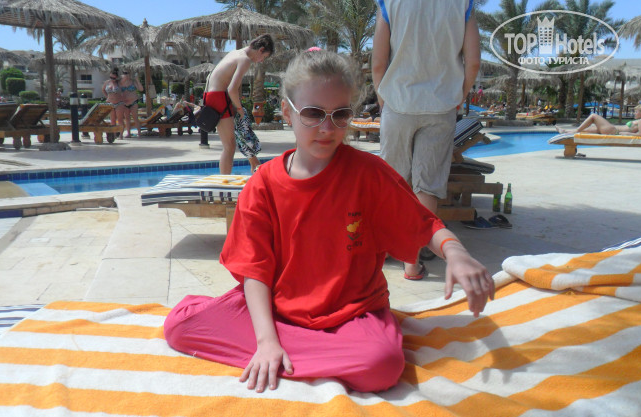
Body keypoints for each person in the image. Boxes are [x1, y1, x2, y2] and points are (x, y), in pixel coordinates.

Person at [163, 50, 494, 394]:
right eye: (313, 113)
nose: (327, 128)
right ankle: (289, 348)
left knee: (380, 366)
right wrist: (266, 341)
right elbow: (255, 271)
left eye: (340, 115)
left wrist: (456, 253)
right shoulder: (263, 184)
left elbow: (424, 224)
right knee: (180, 326)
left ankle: (292, 350)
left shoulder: (368, 174)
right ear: (287, 112)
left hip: (351, 313)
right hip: (278, 310)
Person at [371, 0, 480, 280]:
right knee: (427, 186)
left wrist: (383, 99)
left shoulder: (389, 2)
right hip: (441, 105)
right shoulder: (463, 4)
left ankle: (381, 253)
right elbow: (473, 62)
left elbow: (379, 62)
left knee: (393, 182)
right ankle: (411, 262)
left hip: (397, 102)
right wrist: (459, 95)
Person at [204, 34, 274, 174]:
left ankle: (253, 164)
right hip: (219, 95)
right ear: (261, 49)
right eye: (264, 57)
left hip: (210, 94)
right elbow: (232, 89)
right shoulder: (245, 59)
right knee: (229, 146)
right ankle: (224, 181)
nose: (261, 60)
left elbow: (211, 77)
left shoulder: (235, 53)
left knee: (235, 137)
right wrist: (240, 109)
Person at [556, 104, 641, 137]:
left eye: (636, 111)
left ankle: (575, 130)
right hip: (612, 130)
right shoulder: (639, 121)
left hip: (614, 131)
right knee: (588, 129)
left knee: (593, 116)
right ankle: (566, 131)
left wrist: (626, 133)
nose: (634, 113)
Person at [119, 70, 143, 138]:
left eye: (127, 73)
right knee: (127, 119)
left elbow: (141, 89)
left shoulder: (133, 82)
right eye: (124, 73)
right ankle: (128, 133)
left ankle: (139, 133)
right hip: (125, 103)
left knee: (135, 118)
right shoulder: (120, 83)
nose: (126, 75)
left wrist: (137, 80)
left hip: (133, 102)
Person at [102, 68, 124, 135]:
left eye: (113, 78)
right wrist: (107, 97)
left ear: (116, 77)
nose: (112, 79)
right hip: (110, 103)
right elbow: (103, 90)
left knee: (120, 120)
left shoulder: (119, 83)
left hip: (119, 102)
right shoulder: (107, 82)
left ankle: (120, 135)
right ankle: (114, 134)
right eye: (111, 77)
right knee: (112, 120)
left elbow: (124, 91)